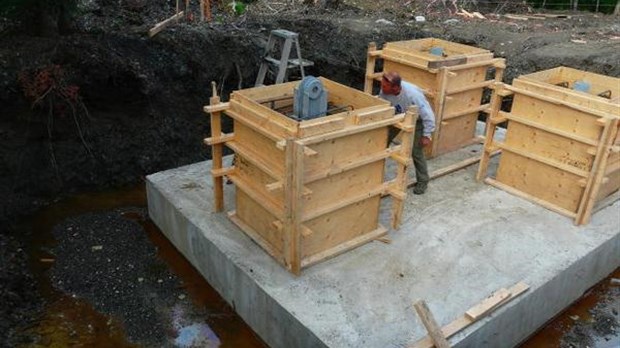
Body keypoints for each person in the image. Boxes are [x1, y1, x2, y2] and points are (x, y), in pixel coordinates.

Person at [379, 71, 435, 195]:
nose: (382, 88)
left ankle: (423, 181)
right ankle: (376, 175)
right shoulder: (385, 91)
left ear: (396, 87)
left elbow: (428, 115)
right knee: (381, 141)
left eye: (384, 86)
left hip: (418, 120)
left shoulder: (412, 95)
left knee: (416, 151)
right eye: (382, 85)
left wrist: (427, 135)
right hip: (397, 115)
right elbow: (382, 105)